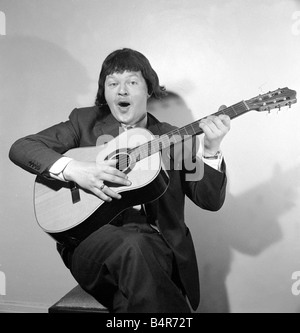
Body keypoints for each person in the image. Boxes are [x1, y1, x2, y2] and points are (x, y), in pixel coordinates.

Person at [9, 48, 230, 313]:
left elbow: (209, 200)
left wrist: (211, 149)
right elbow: (22, 148)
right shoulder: (84, 122)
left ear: (149, 89)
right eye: (112, 83)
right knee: (135, 245)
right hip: (91, 246)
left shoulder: (173, 137)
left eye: (132, 82)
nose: (121, 91)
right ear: (104, 92)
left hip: (159, 249)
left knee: (137, 272)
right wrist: (76, 169)